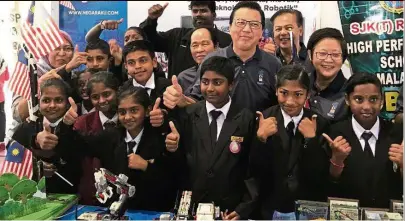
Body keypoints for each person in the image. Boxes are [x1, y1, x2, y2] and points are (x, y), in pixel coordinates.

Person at [59, 85, 180, 211]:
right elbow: (78, 145)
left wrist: (146, 166)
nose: (127, 117)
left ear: (147, 110)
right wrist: (66, 125)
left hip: (152, 211)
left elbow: (171, 178)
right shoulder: (110, 136)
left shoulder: (160, 138)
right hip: (116, 210)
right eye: (122, 112)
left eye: (134, 110)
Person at [166, 56, 257, 220]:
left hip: (229, 209)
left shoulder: (246, 119)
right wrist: (173, 148)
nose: (210, 88)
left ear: (231, 84)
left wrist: (244, 208)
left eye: (217, 82)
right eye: (205, 82)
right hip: (193, 206)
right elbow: (179, 165)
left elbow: (253, 169)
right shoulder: (188, 114)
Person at [163, 1, 281, 113]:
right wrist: (182, 100)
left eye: (254, 24)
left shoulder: (273, 64)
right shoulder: (211, 60)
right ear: (230, 27)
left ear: (262, 31)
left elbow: (279, 105)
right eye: (240, 22)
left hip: (260, 132)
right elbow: (197, 100)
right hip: (217, 132)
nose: (246, 29)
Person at [251, 64, 329, 219]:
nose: (290, 101)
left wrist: (311, 140)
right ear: (276, 90)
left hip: (308, 208)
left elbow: (320, 173)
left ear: (307, 94)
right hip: (268, 206)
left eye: (298, 94)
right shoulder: (263, 119)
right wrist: (261, 139)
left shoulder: (319, 122)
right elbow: (252, 170)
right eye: (284, 93)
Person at [323, 73, 403, 209]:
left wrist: (403, 165)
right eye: (359, 99)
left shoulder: (397, 134)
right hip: (347, 214)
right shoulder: (334, 133)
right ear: (347, 100)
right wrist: (337, 161)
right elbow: (327, 184)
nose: (366, 107)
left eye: (373, 99)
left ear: (382, 100)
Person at [12, 78, 81, 194]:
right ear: (39, 103)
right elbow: (14, 162)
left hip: (68, 194)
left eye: (58, 100)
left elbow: (78, 161)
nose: (52, 105)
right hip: (31, 196)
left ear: (67, 103)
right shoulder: (25, 128)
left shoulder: (77, 126)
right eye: (46, 100)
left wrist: (65, 127)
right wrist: (36, 167)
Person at [139, 1, 232, 77]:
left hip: (215, 96)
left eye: (203, 11)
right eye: (195, 11)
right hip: (178, 96)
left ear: (214, 15)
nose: (198, 14)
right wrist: (151, 20)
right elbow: (149, 41)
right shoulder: (176, 36)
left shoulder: (228, 40)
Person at [73, 72, 120, 205]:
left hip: (125, 197)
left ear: (117, 91)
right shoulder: (82, 123)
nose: (101, 101)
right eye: (95, 97)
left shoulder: (129, 120)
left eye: (106, 94)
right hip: (92, 199)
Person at [85, 21, 167, 80]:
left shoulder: (152, 62)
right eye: (126, 39)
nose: (131, 40)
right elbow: (91, 39)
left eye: (135, 37)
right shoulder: (118, 57)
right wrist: (101, 26)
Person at [121, 40, 171, 128]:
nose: (137, 66)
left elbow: (178, 118)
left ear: (154, 62)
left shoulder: (168, 87)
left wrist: (164, 118)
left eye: (143, 60)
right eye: (131, 63)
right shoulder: (123, 90)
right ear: (126, 66)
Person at [306, 28, 350, 123]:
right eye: (322, 53)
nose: (329, 60)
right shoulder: (301, 84)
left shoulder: (350, 93)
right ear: (310, 55)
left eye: (335, 54)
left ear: (343, 58)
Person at [178, 26, 217, 94]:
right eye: (195, 45)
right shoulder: (184, 77)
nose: (199, 50)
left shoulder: (228, 72)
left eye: (204, 44)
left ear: (216, 46)